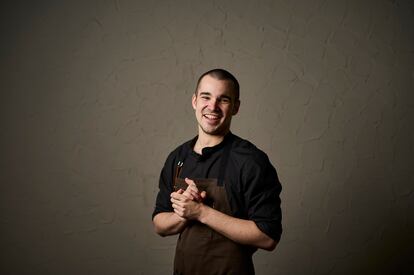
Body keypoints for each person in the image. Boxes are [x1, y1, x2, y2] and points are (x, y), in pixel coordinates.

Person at [152, 68, 282, 275]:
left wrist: (201, 212)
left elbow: (268, 237)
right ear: (195, 101)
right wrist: (185, 213)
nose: (212, 106)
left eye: (223, 99)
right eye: (206, 97)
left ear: (236, 107)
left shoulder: (251, 161)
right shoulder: (177, 158)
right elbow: (159, 223)